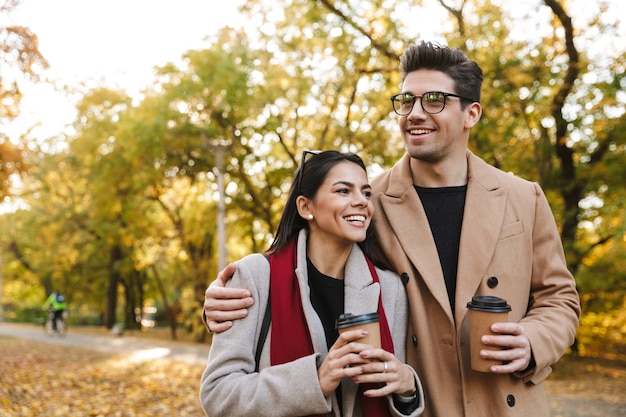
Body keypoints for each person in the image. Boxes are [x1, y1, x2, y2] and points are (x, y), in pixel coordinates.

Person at [203, 41, 581, 416]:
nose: (415, 112)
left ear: (472, 114)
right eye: (407, 101)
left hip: (505, 402)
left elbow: (559, 298)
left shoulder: (523, 197)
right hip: (423, 403)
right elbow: (301, 264)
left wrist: (532, 340)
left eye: (434, 99)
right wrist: (227, 299)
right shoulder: (370, 204)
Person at [199, 150, 424, 417]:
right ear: (306, 207)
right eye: (343, 191)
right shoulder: (255, 276)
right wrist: (315, 381)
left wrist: (408, 387)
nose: (361, 202)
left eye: (365, 193)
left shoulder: (389, 288)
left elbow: (395, 391)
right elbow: (218, 394)